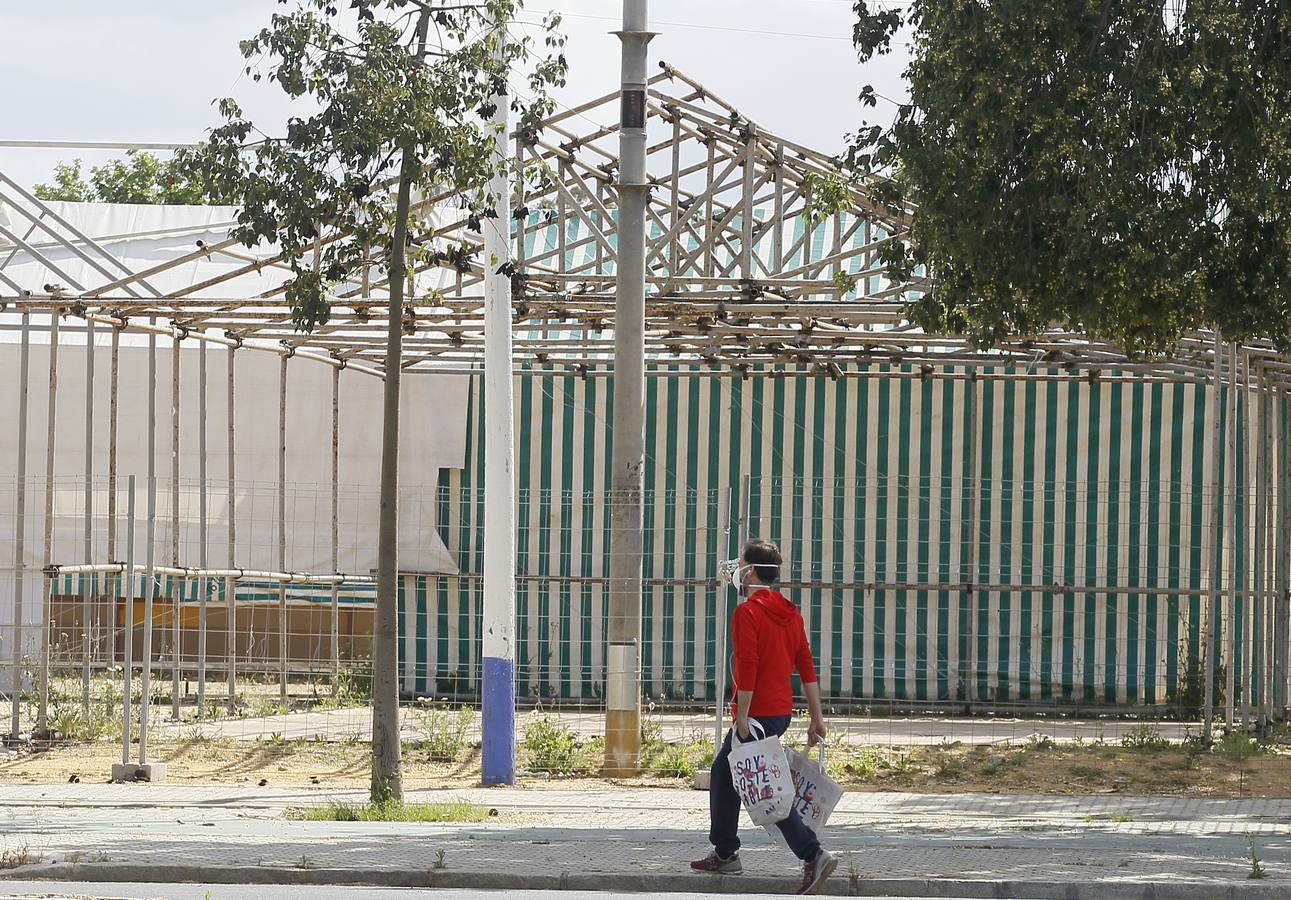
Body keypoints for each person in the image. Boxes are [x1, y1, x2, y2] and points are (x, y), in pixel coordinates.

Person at [690, 538, 837, 895]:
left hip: (755, 716)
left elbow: (748, 665)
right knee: (724, 774)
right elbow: (806, 667)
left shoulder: (748, 613)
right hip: (779, 713)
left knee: (765, 790)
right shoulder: (790, 612)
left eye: (741, 564)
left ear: (751, 571)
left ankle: (812, 854)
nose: (738, 569)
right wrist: (817, 719)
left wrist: (741, 716)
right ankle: (725, 851)